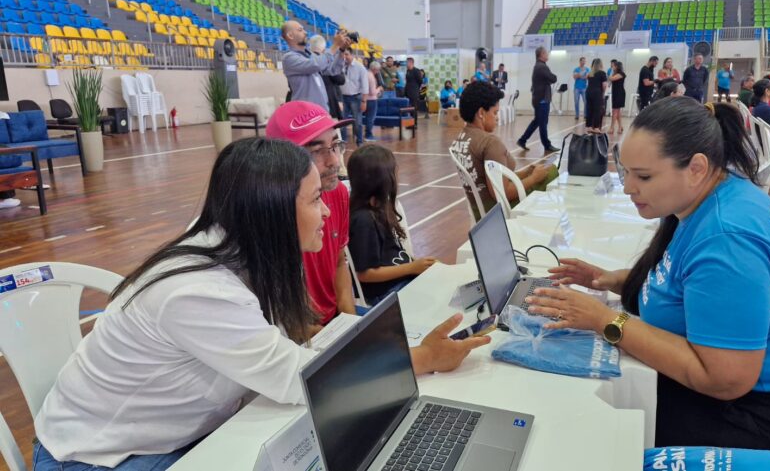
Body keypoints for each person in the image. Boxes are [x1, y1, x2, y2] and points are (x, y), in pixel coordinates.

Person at [31, 137, 491, 471]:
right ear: (272, 212)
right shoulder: (199, 290)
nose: (328, 212)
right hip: (97, 458)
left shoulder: (237, 242)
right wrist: (426, 358)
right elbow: (302, 379)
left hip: (171, 431)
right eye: (315, 200)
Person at [526, 97, 770, 455]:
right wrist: (610, 279)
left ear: (695, 168)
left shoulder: (728, 240)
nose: (628, 186)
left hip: (765, 418)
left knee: (588, 433)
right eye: (624, 170)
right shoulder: (717, 195)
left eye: (643, 176)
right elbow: (690, 280)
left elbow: (725, 380)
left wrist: (605, 320)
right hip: (751, 395)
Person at [265, 101, 355, 326]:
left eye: (335, 146)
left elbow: (339, 263)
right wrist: (308, 333)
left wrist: (351, 322)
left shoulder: (339, 193)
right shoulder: (270, 212)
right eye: (316, 151)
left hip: (332, 321)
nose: (334, 160)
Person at [450, 81, 556, 220]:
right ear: (481, 113)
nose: (497, 117)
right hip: (498, 213)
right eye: (495, 112)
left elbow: (491, 180)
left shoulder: (461, 138)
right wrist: (534, 178)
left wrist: (525, 172)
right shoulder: (490, 142)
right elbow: (501, 194)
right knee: (552, 172)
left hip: (480, 210)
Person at [348, 144, 438, 305]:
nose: (397, 174)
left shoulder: (380, 207)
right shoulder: (363, 220)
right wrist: (411, 268)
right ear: (382, 180)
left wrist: (419, 265)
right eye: (393, 171)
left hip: (399, 281)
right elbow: (365, 274)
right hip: (385, 293)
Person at [280, 20, 349, 111]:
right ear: (290, 35)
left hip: (321, 110)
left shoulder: (310, 55)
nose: (305, 32)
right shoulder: (289, 58)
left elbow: (332, 70)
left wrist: (341, 50)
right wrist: (335, 45)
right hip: (306, 113)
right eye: (300, 30)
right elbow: (315, 65)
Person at [517, 46, 558, 154]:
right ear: (541, 55)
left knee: (537, 122)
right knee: (543, 123)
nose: (547, 55)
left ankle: (522, 140)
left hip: (539, 98)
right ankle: (547, 145)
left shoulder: (539, 66)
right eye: (546, 53)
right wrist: (552, 77)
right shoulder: (541, 67)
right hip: (542, 100)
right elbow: (553, 78)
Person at [309, 35, 345, 121]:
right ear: (324, 50)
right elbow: (340, 79)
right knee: (332, 132)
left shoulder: (305, 60)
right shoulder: (325, 61)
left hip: (311, 109)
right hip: (328, 105)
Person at [339, 48, 368, 146]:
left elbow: (365, 85)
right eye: (343, 55)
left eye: (347, 54)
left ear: (352, 55)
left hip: (356, 98)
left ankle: (359, 141)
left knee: (357, 121)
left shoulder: (360, 68)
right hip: (343, 97)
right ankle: (343, 141)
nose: (345, 57)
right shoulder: (340, 66)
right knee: (342, 121)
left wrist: (364, 101)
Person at [584, 58, 607, 134]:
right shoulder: (602, 73)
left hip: (588, 92)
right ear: (601, 64)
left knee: (589, 109)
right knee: (597, 110)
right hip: (597, 92)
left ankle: (589, 126)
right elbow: (604, 85)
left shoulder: (590, 73)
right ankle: (596, 127)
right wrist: (603, 93)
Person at [363, 60, 382, 142]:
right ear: (374, 69)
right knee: (370, 118)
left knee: (367, 118)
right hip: (372, 100)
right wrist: (379, 89)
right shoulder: (371, 77)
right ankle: (368, 135)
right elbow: (372, 92)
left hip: (365, 99)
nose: (378, 72)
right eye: (378, 70)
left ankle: (366, 134)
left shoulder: (365, 74)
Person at [607, 60, 626, 135]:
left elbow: (611, 79)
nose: (612, 67)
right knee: (617, 112)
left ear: (617, 67)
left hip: (619, 93)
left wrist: (609, 73)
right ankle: (620, 127)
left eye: (613, 66)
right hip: (615, 93)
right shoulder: (615, 73)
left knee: (615, 111)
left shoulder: (621, 74)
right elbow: (610, 81)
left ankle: (612, 128)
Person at [404, 58, 423, 122]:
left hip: (414, 92)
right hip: (408, 91)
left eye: (407, 62)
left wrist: (416, 88)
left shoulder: (416, 71)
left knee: (414, 108)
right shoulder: (408, 71)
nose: (406, 64)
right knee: (409, 108)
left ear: (411, 62)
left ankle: (414, 124)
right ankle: (410, 122)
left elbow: (420, 81)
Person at [573, 57, 590, 121]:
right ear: (580, 61)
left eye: (584, 61)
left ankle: (585, 115)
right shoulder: (576, 69)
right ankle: (577, 115)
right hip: (576, 88)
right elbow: (575, 77)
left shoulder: (587, 69)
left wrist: (580, 75)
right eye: (582, 61)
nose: (584, 62)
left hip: (584, 88)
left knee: (586, 102)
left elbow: (586, 77)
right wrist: (581, 75)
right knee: (576, 102)